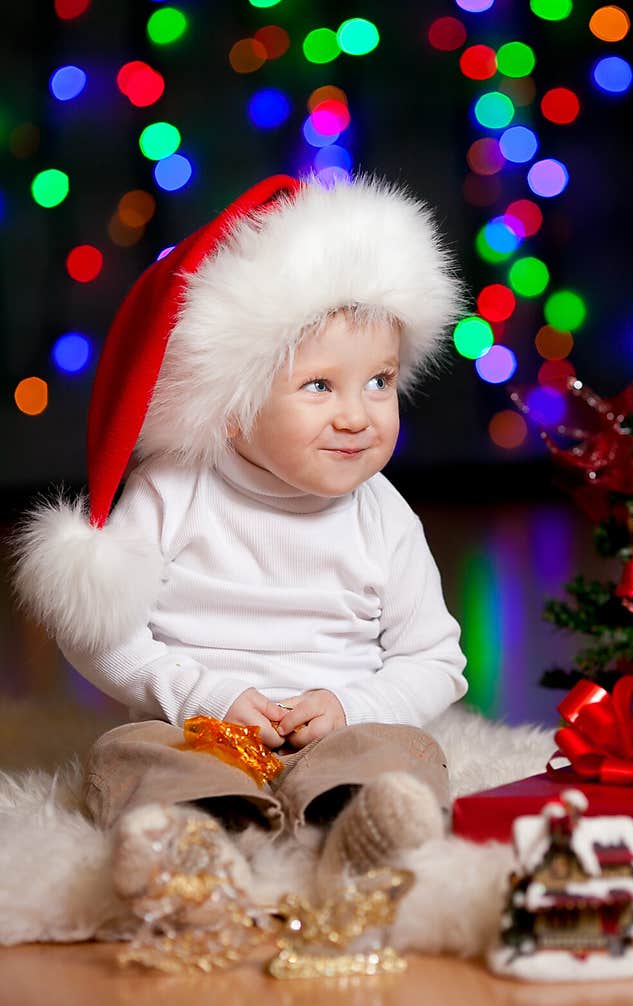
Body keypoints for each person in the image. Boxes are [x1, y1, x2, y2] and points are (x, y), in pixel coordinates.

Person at [13, 172, 468, 909]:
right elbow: (103, 634)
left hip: (338, 728)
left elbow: (435, 658)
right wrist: (206, 696)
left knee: (407, 754)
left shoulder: (383, 513)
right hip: (197, 726)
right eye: (320, 385)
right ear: (231, 406)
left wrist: (352, 705)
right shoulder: (174, 492)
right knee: (130, 755)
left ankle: (360, 827)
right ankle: (198, 844)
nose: (359, 415)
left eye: (379, 381)